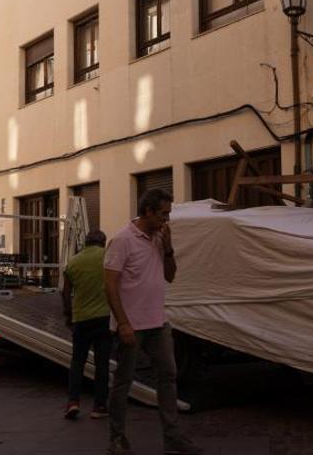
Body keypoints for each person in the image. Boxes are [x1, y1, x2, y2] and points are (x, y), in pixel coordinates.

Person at [104, 188, 201, 455]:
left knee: (169, 376)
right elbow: (110, 285)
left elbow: (170, 276)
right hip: (131, 325)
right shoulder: (122, 240)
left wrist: (168, 249)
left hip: (158, 323)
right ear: (147, 211)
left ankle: (172, 438)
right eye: (163, 214)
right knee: (123, 381)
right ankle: (117, 438)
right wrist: (122, 323)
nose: (166, 220)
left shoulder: (159, 238)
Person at [61, 229, 112, 420]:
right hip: (104, 318)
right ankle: (99, 406)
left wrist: (68, 316)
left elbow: (65, 293)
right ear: (102, 242)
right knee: (102, 364)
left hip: (81, 319)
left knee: (77, 362)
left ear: (86, 243)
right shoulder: (108, 257)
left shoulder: (73, 262)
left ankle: (73, 403)